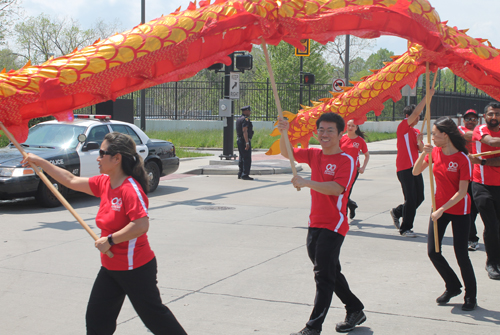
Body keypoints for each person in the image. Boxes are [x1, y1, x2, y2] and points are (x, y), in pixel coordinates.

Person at [21, 132, 187, 335]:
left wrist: (110, 240)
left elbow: (141, 225)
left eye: (102, 153)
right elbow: (71, 180)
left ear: (117, 158)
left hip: (135, 268)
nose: (97, 158)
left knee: (156, 319)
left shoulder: (130, 189)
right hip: (111, 268)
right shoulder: (104, 183)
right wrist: (40, 162)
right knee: (97, 321)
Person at [278, 113, 365, 335]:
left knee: (323, 277)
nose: (324, 135)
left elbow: (337, 189)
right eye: (321, 130)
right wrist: (283, 132)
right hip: (315, 222)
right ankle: (355, 308)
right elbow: (286, 152)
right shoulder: (315, 154)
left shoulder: (347, 160)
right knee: (329, 271)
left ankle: (313, 327)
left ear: (339, 133)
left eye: (330, 130)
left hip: (334, 225)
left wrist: (307, 182)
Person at [413, 117, 477, 311]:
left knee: (461, 255)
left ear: (445, 135)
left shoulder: (462, 158)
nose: (432, 138)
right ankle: (453, 286)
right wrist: (422, 154)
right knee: (434, 252)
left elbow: (462, 192)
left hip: (458, 209)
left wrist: (442, 209)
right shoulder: (435, 152)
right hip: (438, 208)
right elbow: (416, 172)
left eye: (434, 134)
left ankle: (471, 296)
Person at [390, 89, 435, 237]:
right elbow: (415, 113)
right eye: (416, 117)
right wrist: (427, 97)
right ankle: (405, 228)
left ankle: (397, 212)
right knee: (410, 198)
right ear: (408, 116)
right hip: (404, 168)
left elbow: (421, 150)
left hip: (415, 168)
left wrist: (420, 143)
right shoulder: (403, 127)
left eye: (420, 117)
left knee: (419, 198)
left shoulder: (416, 132)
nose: (418, 119)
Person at [470, 101, 500, 280]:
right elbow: (491, 142)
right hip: (481, 185)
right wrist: (482, 165)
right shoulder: (480, 130)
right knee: (491, 225)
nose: (494, 117)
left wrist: (482, 162)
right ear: (485, 116)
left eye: (497, 114)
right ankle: (491, 263)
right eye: (491, 114)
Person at [457, 109, 480, 251]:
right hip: (466, 177)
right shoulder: (460, 129)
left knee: (477, 209)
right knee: (469, 209)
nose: (470, 121)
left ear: (477, 120)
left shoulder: (481, 131)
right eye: (468, 119)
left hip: (479, 176)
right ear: (463, 120)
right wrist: (485, 136)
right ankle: (471, 238)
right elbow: (468, 135)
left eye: (473, 119)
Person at [339, 119, 370, 219]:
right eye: (349, 125)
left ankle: (343, 216)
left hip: (353, 171)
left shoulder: (360, 140)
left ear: (357, 127)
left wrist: (363, 168)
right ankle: (351, 205)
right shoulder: (342, 138)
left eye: (353, 126)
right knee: (340, 192)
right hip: (341, 170)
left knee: (346, 192)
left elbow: (367, 155)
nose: (350, 127)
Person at [236, 105, 254, 180]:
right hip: (244, 141)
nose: (250, 112)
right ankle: (245, 174)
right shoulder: (245, 120)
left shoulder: (238, 119)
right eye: (249, 111)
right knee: (246, 158)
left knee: (241, 157)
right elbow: (244, 131)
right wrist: (247, 142)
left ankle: (240, 173)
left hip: (240, 140)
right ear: (245, 111)